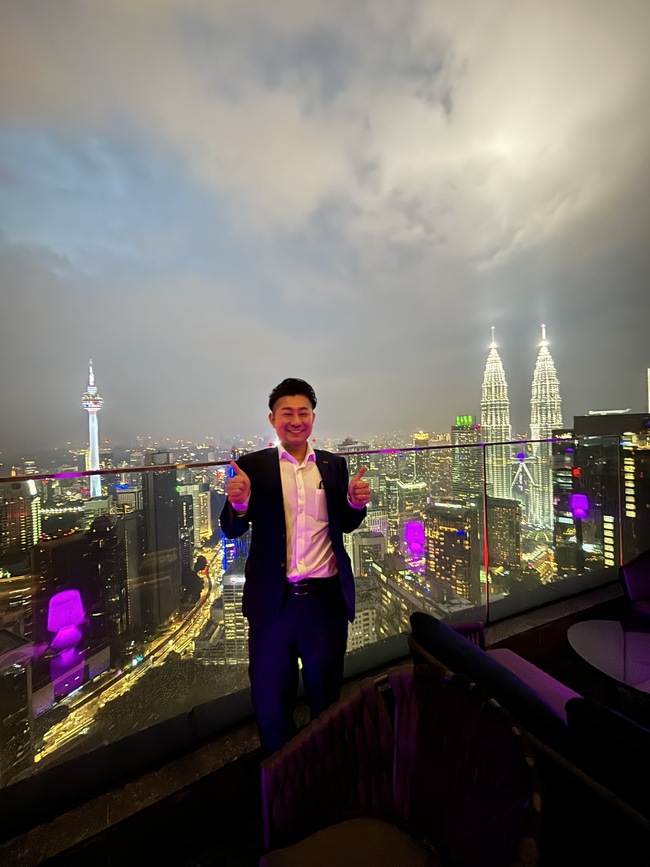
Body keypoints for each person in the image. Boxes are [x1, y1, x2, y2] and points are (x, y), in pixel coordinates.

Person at [219, 378, 371, 755]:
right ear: (273, 419)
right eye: (287, 413)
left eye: (303, 412)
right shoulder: (254, 466)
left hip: (324, 602)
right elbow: (232, 528)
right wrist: (238, 504)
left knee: (326, 698)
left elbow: (345, 524)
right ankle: (281, 776)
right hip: (273, 603)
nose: (296, 420)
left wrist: (354, 504)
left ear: (313, 418)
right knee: (271, 702)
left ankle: (323, 770)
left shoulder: (333, 466)